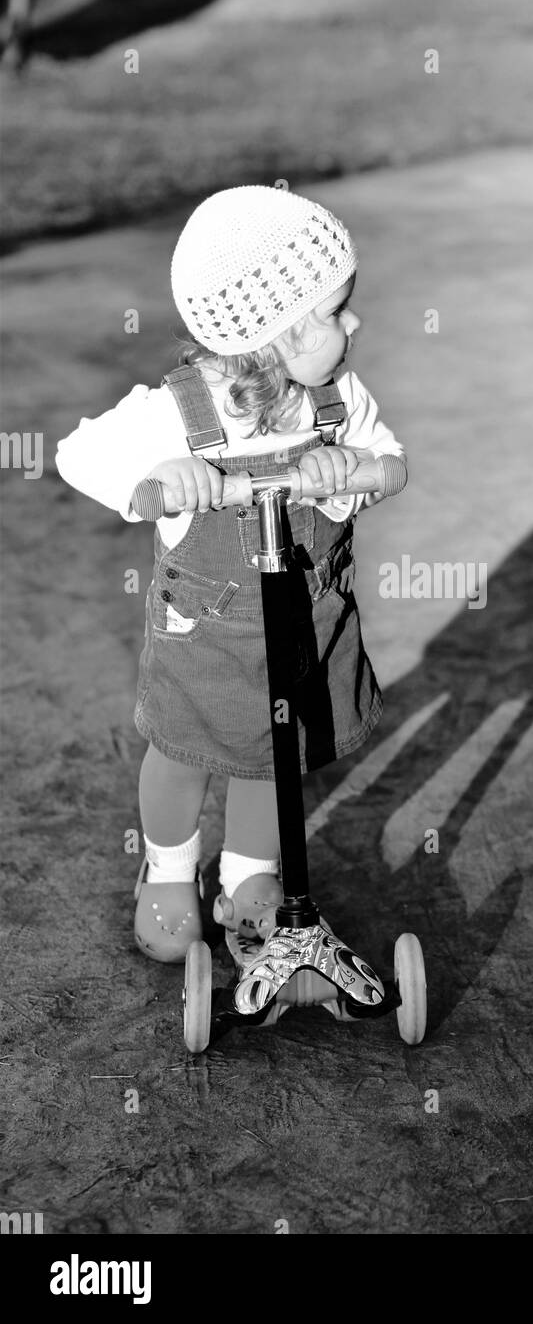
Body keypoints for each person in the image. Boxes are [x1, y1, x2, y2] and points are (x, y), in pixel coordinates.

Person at [56, 186, 404, 962]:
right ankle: (170, 874)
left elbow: (391, 462)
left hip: (306, 628)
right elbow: (78, 454)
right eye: (338, 310)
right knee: (183, 756)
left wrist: (359, 467)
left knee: (273, 762)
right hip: (206, 642)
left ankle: (250, 879)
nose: (356, 323)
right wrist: (167, 476)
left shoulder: (338, 400)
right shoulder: (181, 412)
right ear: (276, 333)